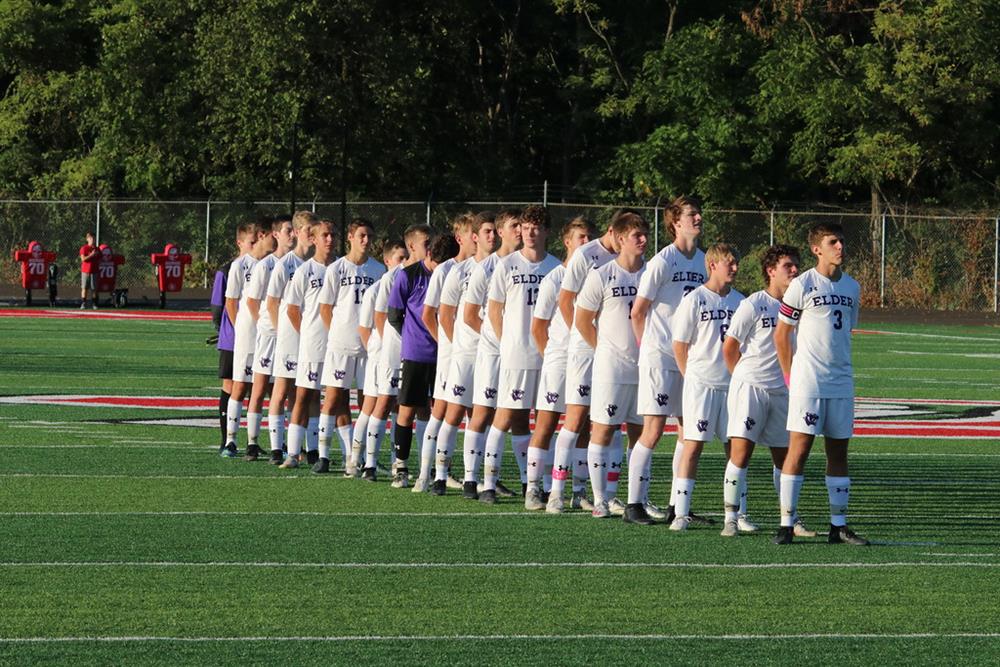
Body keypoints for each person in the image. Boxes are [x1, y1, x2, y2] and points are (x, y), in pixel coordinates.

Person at [773, 223, 867, 546]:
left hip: (841, 381)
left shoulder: (852, 287)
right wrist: (790, 377)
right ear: (817, 249)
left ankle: (837, 526)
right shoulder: (802, 284)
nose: (840, 246)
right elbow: (782, 335)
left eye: (841, 241)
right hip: (808, 382)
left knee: (838, 452)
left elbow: (846, 331)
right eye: (832, 242)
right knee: (798, 449)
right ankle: (786, 524)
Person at [721, 245, 817, 537]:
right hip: (750, 387)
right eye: (787, 265)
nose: (794, 271)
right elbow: (730, 347)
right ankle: (731, 517)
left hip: (783, 391)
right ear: (770, 270)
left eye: (796, 265)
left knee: (785, 456)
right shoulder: (754, 303)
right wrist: (742, 380)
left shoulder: (802, 306)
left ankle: (790, 517)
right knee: (741, 453)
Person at [630, 195, 708, 524]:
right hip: (660, 356)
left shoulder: (705, 261)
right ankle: (634, 504)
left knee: (688, 429)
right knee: (654, 428)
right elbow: (638, 311)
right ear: (675, 222)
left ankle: (678, 506)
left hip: (690, 358)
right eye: (691, 214)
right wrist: (648, 349)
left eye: (698, 213)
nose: (698, 218)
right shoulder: (664, 260)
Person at [481, 205, 561, 504]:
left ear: (547, 232)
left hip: (550, 356)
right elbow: (494, 309)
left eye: (536, 227)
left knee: (545, 422)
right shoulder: (507, 264)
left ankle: (534, 485)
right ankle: (488, 482)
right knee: (504, 417)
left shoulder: (556, 267)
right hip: (517, 354)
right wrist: (507, 342)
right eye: (525, 227)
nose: (529, 232)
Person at [573, 211, 648, 519]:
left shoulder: (651, 273)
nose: (643, 240)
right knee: (603, 430)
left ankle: (634, 499)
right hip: (611, 369)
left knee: (641, 434)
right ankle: (600, 499)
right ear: (619, 238)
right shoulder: (602, 274)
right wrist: (605, 349)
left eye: (644, 234)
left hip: (644, 367)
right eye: (636, 235)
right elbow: (582, 320)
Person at [667, 243, 744, 531]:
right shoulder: (696, 299)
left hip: (732, 386)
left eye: (735, 262)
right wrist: (691, 377)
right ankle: (681, 513)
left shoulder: (740, 301)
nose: (735, 268)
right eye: (730, 262)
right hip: (702, 385)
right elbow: (680, 344)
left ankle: (736, 514)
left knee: (735, 449)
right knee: (693, 446)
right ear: (713, 265)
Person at [552, 215, 621, 514]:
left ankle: (588, 492)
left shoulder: (627, 257)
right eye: (622, 236)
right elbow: (566, 301)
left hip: (614, 353)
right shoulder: (586, 255)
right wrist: (584, 340)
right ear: (611, 232)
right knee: (575, 418)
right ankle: (556, 492)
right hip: (585, 349)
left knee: (608, 422)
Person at [524, 216, 593, 511]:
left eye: (590, 237)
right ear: (567, 242)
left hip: (586, 359)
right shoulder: (555, 277)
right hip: (559, 359)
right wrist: (551, 358)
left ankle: (579, 490)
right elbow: (538, 327)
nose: (587, 244)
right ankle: (534, 488)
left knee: (584, 426)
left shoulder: (595, 276)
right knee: (547, 422)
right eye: (581, 238)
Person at [432, 213, 498, 496]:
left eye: (495, 231)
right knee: (454, 412)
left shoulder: (502, 268)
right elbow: (444, 315)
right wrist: (456, 346)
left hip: (492, 355)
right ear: (475, 236)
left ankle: (474, 478)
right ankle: (440, 475)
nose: (492, 236)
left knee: (483, 415)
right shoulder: (458, 271)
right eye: (487, 231)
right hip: (464, 354)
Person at [387, 229, 458, 488]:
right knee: (407, 410)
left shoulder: (452, 273)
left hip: (445, 356)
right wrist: (412, 336)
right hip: (417, 353)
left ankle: (439, 469)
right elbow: (394, 314)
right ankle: (401, 467)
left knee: (440, 411)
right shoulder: (407, 275)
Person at [314, 218, 385, 475]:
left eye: (369, 236)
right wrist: (337, 333)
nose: (366, 241)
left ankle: (363, 457)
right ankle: (324, 455)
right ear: (351, 237)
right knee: (334, 399)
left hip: (369, 348)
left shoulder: (379, 270)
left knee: (368, 401)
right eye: (362, 236)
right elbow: (325, 307)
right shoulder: (337, 269)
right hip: (341, 345)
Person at [459, 210, 522, 498]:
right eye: (514, 226)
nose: (520, 230)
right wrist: (498, 337)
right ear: (500, 232)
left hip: (520, 353)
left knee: (514, 415)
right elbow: (470, 314)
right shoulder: (486, 267)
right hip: (493, 352)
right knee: (482, 412)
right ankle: (472, 479)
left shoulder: (525, 264)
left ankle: (516, 480)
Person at [413, 214, 478, 493]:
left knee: (477, 413)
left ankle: (477, 476)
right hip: (453, 356)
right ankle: (428, 474)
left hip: (479, 354)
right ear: (461, 237)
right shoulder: (447, 270)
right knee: (442, 411)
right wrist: (448, 343)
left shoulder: (488, 267)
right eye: (473, 233)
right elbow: (430, 315)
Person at [361, 230, 423, 482]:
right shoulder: (393, 277)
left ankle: (412, 463)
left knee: (415, 406)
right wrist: (390, 345)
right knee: (385, 401)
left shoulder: (427, 273)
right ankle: (370, 463)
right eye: (424, 244)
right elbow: (380, 317)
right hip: (393, 350)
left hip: (417, 351)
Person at [279, 219, 336, 469]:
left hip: (338, 345)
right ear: (313, 239)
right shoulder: (305, 271)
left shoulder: (340, 268)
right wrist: (308, 334)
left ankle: (317, 452)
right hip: (313, 344)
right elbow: (292, 309)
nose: (329, 239)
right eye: (324, 235)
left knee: (335, 398)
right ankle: (292, 453)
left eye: (332, 235)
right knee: (304, 395)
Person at [266, 211, 317, 464]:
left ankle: (309, 447)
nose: (312, 235)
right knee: (283, 388)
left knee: (306, 391)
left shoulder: (322, 263)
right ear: (297, 232)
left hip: (312, 337)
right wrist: (282, 331)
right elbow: (273, 302)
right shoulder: (285, 264)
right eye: (308, 230)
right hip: (290, 336)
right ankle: (277, 448)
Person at [243, 215, 295, 461]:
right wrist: (265, 326)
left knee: (285, 390)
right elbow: (253, 301)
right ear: (276, 234)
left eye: (294, 230)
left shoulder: (298, 264)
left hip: (290, 336)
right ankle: (252, 442)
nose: (292, 234)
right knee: (260, 387)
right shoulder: (266, 265)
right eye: (288, 230)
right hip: (270, 336)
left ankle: (282, 444)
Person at [353, 240, 407, 475]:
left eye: (406, 257)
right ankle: (359, 459)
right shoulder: (377, 288)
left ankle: (397, 460)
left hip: (400, 353)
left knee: (399, 407)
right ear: (387, 261)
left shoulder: (407, 279)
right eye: (399, 258)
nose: (403, 262)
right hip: (382, 354)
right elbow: (366, 327)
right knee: (373, 405)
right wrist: (382, 352)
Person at [223, 221, 272, 456]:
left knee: (265, 388)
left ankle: (254, 441)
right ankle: (231, 440)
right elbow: (231, 302)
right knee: (240, 385)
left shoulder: (273, 264)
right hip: (248, 334)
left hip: (270, 335)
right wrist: (242, 328)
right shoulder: (240, 265)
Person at [215, 223, 260, 457]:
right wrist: (224, 329)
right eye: (251, 242)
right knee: (232, 386)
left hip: (257, 338)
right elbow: (220, 305)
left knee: (257, 387)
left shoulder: (264, 265)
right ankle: (227, 440)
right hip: (232, 338)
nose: (255, 246)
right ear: (240, 243)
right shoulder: (229, 268)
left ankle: (254, 440)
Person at [79, 232, 99, 309]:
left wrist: (96, 255)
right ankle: (83, 303)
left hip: (94, 271)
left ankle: (94, 304)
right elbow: (83, 259)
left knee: (94, 288)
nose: (92, 240)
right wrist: (91, 255)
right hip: (85, 271)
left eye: (93, 238)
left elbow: (99, 258)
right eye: (90, 238)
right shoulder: (84, 248)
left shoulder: (97, 249)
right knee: (84, 288)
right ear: (87, 239)